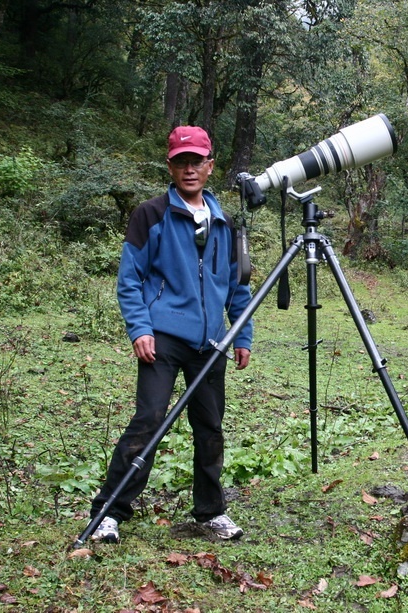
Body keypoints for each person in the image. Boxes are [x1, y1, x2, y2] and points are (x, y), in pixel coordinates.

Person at [88, 125, 254, 543]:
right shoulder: (151, 214)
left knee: (210, 427)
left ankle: (211, 512)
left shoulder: (226, 223)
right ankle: (109, 512)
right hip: (162, 339)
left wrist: (243, 335)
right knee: (148, 421)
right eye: (181, 161)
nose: (189, 169)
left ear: (210, 166)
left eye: (196, 161)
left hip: (211, 343)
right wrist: (140, 328)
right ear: (171, 165)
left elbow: (239, 287)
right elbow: (130, 279)